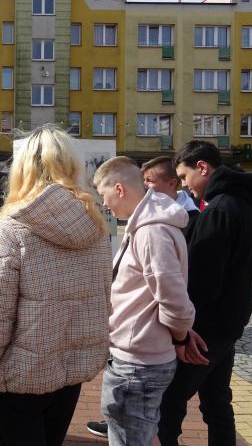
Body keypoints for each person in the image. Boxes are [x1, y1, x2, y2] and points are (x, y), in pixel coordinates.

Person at [0, 125, 112, 446]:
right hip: (69, 376)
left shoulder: (10, 231)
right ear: (72, 167)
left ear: (22, 170)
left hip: (20, 379)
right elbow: (101, 303)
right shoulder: (96, 227)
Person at [158, 141, 252, 446]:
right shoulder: (242, 203)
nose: (184, 185)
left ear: (202, 167)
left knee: (169, 401)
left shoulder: (220, 209)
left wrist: (181, 328)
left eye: (183, 177)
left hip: (206, 328)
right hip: (230, 322)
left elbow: (202, 279)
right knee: (217, 401)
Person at [87, 154, 203, 439]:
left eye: (104, 195)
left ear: (119, 189)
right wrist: (181, 335)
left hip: (137, 363)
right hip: (140, 357)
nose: (104, 204)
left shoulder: (151, 232)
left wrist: (180, 336)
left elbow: (174, 300)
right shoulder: (147, 225)